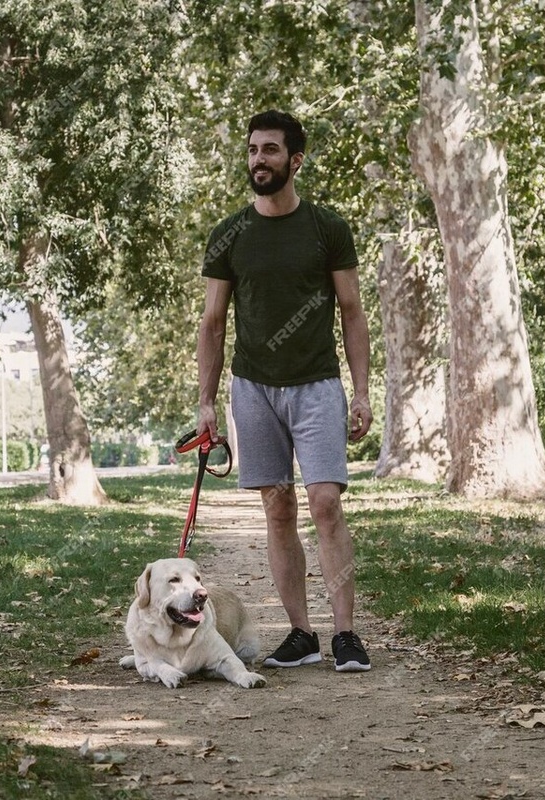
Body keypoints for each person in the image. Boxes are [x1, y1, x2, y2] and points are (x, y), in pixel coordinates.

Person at [195, 110, 373, 672]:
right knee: (277, 507)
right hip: (253, 388)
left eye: (270, 151)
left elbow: (351, 309)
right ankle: (301, 633)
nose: (258, 161)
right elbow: (213, 322)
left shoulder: (327, 229)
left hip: (317, 384)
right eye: (252, 151)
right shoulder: (229, 233)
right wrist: (205, 401)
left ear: (295, 160)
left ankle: (345, 632)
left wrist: (362, 390)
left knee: (324, 501)